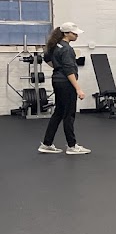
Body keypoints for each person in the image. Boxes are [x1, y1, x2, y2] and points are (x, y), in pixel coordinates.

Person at [38, 22, 90, 155]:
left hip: (57, 81)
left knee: (59, 113)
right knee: (69, 114)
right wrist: (78, 89)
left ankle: (47, 144)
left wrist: (57, 67)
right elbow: (69, 71)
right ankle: (72, 146)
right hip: (66, 83)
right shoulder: (67, 49)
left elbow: (47, 58)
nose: (77, 35)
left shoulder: (55, 45)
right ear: (66, 34)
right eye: (74, 33)